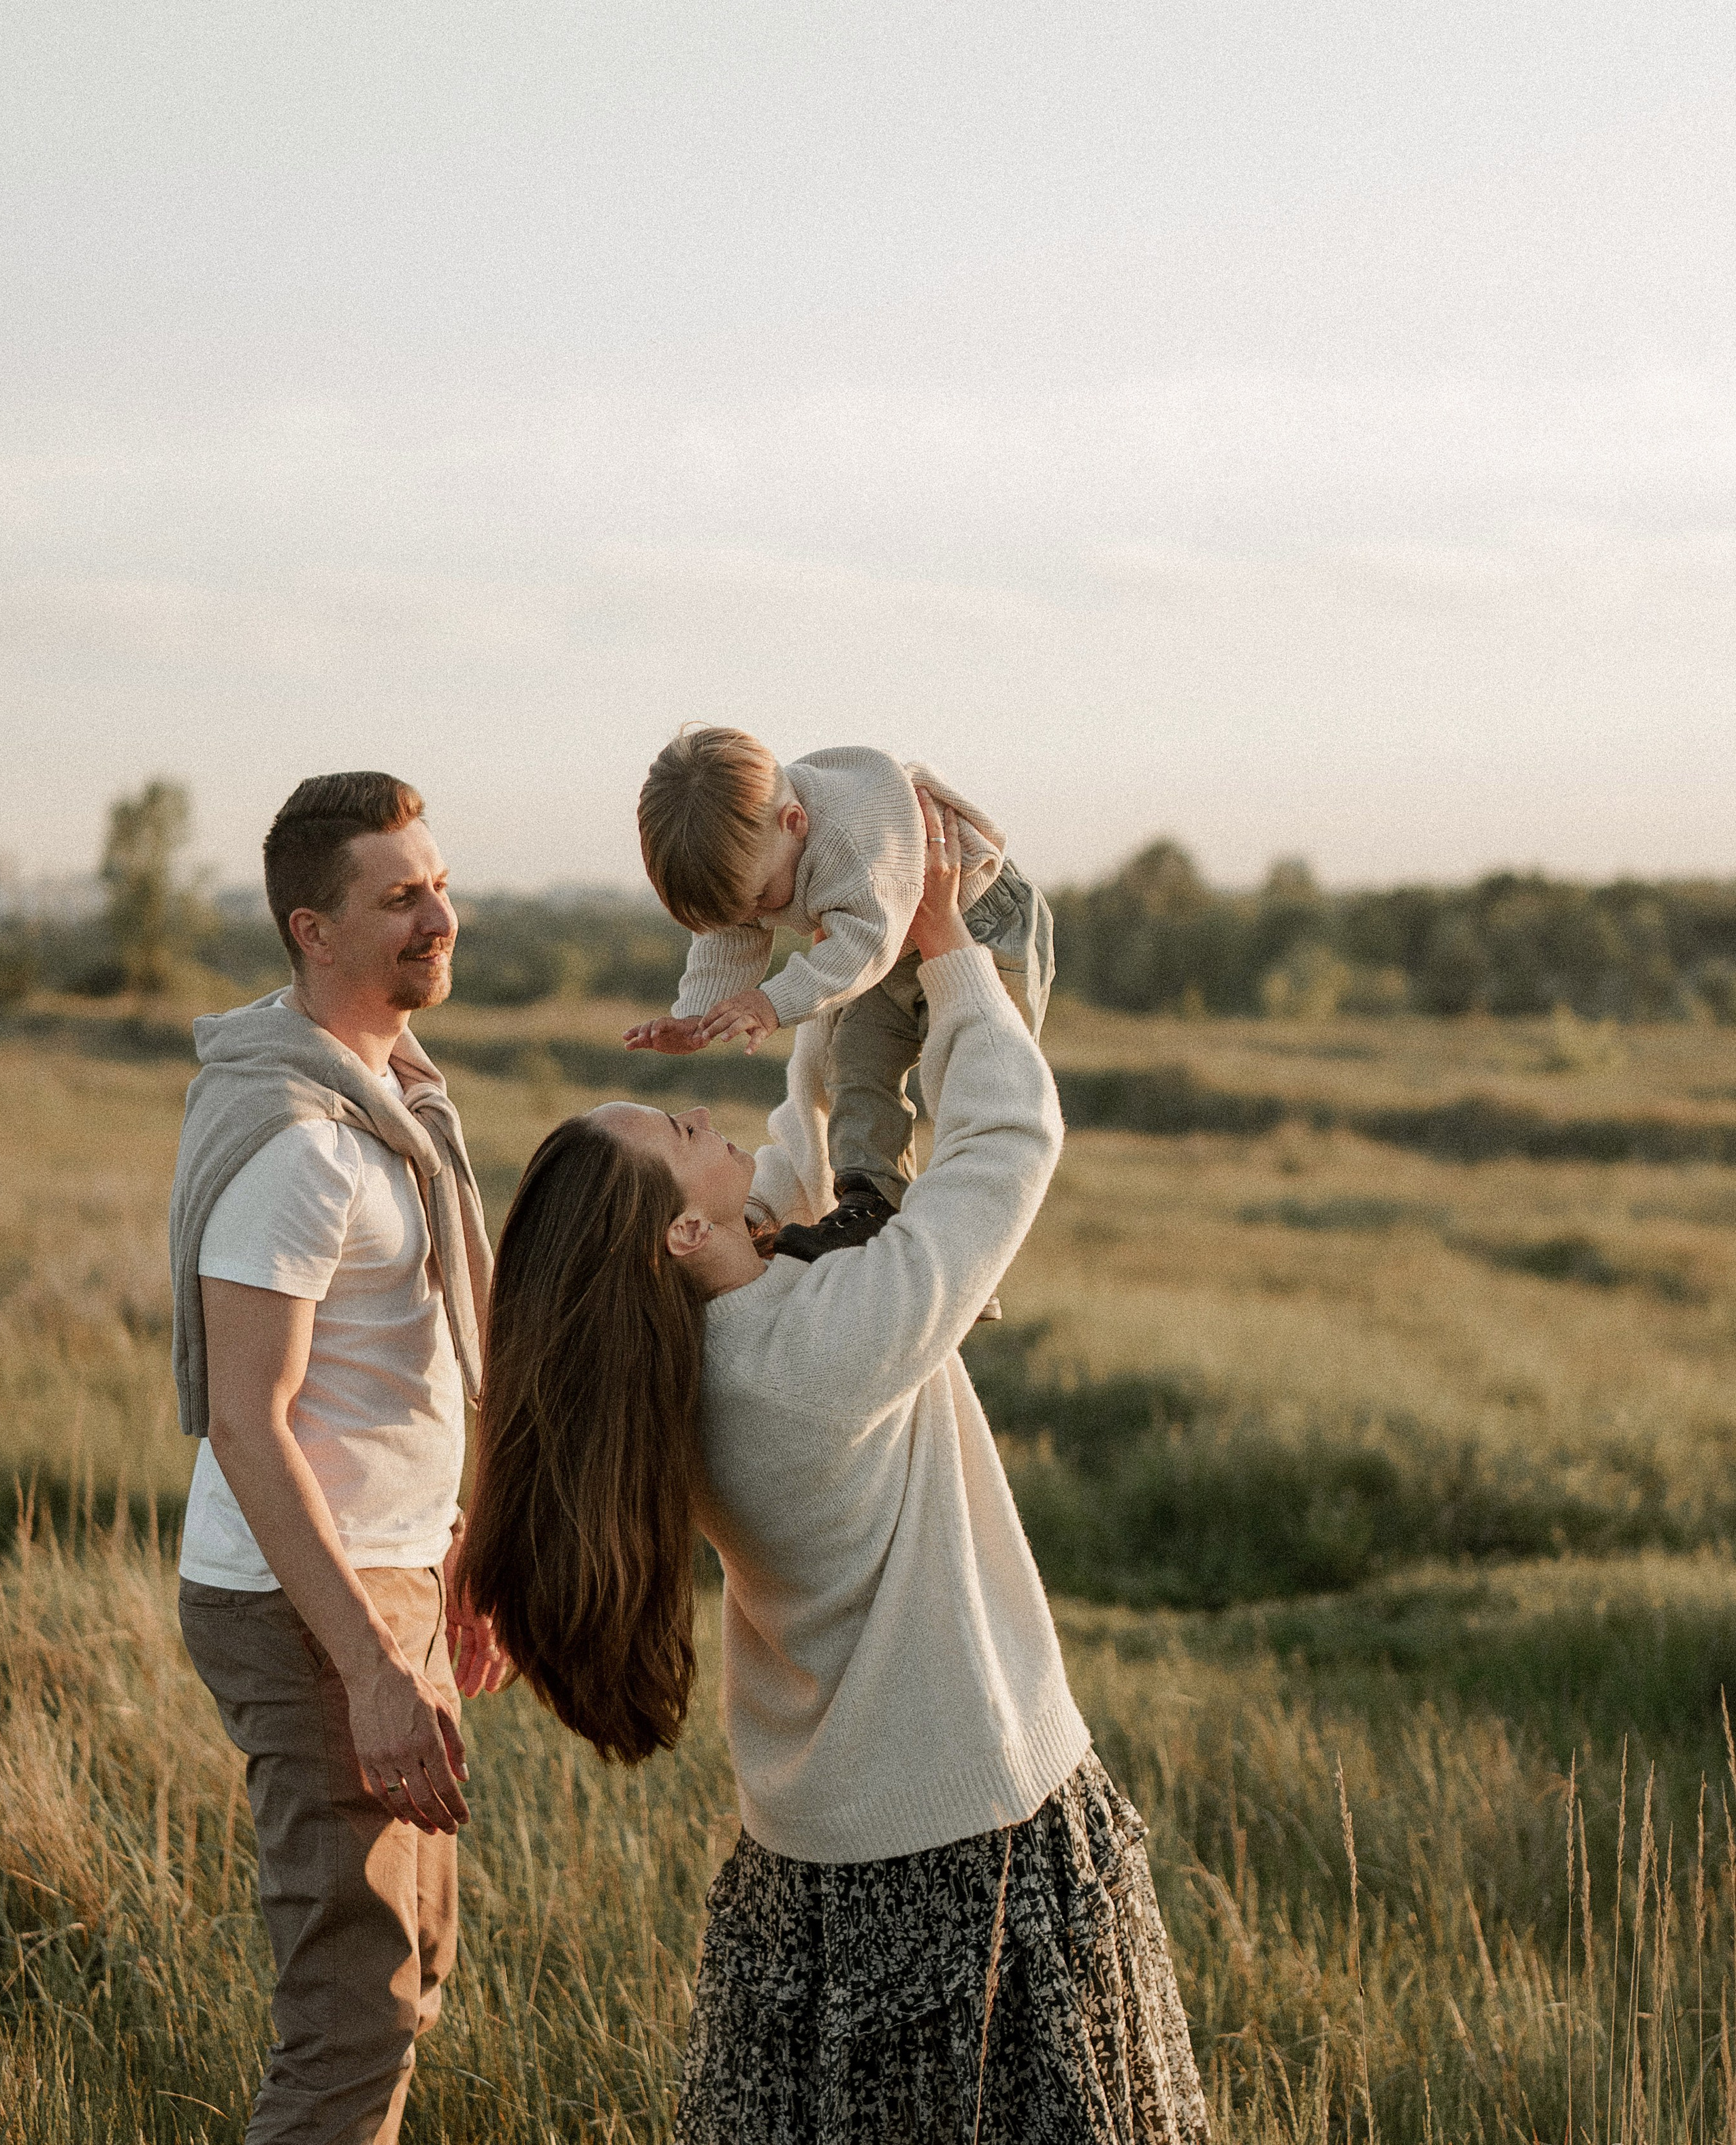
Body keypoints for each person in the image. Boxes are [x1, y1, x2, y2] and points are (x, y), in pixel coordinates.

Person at [460, 795, 1208, 2143]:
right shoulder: (809, 1353)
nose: (705, 1120)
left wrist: (819, 977)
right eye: (682, 1134)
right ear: (689, 1236)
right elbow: (1006, 1151)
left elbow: (800, 1181)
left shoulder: (700, 1365)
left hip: (814, 1862)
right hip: (967, 1850)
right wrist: (942, 947)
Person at [169, 772, 511, 2145]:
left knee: (409, 1981)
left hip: (389, 1576)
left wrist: (450, 1562)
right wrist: (372, 1663)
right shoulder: (298, 1145)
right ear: (315, 931)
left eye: (437, 883)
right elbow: (249, 1423)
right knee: (353, 2015)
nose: (441, 914)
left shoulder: (392, 1098)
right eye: (401, 897)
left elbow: (403, 1376)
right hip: (305, 1602)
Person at [628, 730, 1055, 1285]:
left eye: (760, 897)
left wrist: (771, 1002)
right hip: (886, 946)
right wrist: (697, 1015)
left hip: (979, 923)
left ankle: (974, 1245)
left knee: (973, 1082)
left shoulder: (851, 844)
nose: (757, 914)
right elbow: (733, 932)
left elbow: (864, 945)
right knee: (855, 1064)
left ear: (795, 822)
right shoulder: (763, 847)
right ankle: (870, 1202)